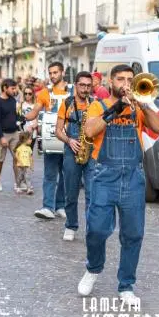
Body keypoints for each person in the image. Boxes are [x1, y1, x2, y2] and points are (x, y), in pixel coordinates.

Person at [78, 64, 159, 306]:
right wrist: (117, 108)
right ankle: (94, 268)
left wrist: (144, 105)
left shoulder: (139, 108)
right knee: (96, 230)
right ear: (110, 82)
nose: (126, 84)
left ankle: (126, 284)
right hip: (104, 176)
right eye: (121, 79)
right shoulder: (98, 105)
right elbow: (89, 131)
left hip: (133, 179)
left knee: (133, 234)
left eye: (130, 79)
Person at [24, 62, 71, 220]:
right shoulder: (44, 93)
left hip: (69, 137)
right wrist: (23, 116)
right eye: (50, 73)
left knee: (66, 175)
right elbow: (36, 111)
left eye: (55, 72)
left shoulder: (73, 91)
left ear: (62, 72)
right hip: (51, 138)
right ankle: (48, 207)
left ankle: (61, 206)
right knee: (50, 174)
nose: (52, 76)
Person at [55, 71, 95, 241]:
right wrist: (69, 140)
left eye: (88, 86)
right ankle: (71, 225)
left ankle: (92, 228)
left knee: (92, 193)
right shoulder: (67, 103)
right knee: (71, 192)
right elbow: (57, 130)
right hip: (72, 151)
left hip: (92, 152)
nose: (85, 89)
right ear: (76, 85)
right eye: (82, 85)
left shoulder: (95, 104)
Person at [0, 79, 20, 192]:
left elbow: (15, 116)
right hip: (2, 134)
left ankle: (18, 182)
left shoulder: (13, 100)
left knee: (18, 158)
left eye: (15, 88)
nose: (14, 90)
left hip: (14, 133)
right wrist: (2, 137)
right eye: (12, 88)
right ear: (5, 88)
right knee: (0, 158)